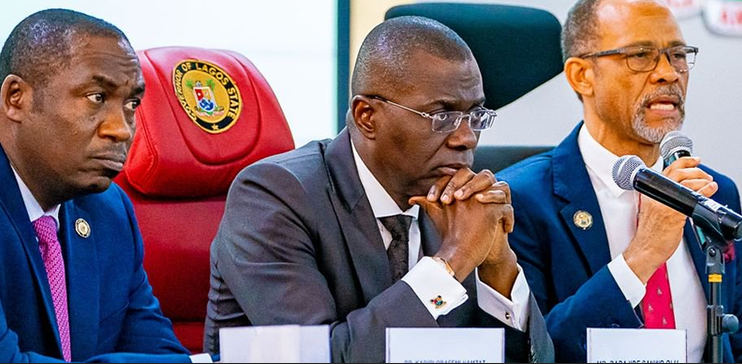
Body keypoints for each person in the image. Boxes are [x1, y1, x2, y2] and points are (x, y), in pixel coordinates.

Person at [204, 16, 553, 363]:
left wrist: (498, 264)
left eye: (475, 115)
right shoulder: (275, 195)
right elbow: (323, 358)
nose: (466, 138)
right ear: (367, 116)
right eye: (441, 116)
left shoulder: (458, 201)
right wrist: (453, 260)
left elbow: (533, 358)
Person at [498, 0, 742, 362]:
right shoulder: (521, 200)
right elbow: (534, 350)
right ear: (582, 75)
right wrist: (642, 256)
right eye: (641, 55)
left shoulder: (714, 193)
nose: (668, 73)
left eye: (677, 55)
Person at [0, 9, 207, 363]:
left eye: (131, 104)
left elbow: (160, 351)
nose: (122, 129)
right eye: (97, 97)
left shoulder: (110, 210)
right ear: (16, 98)